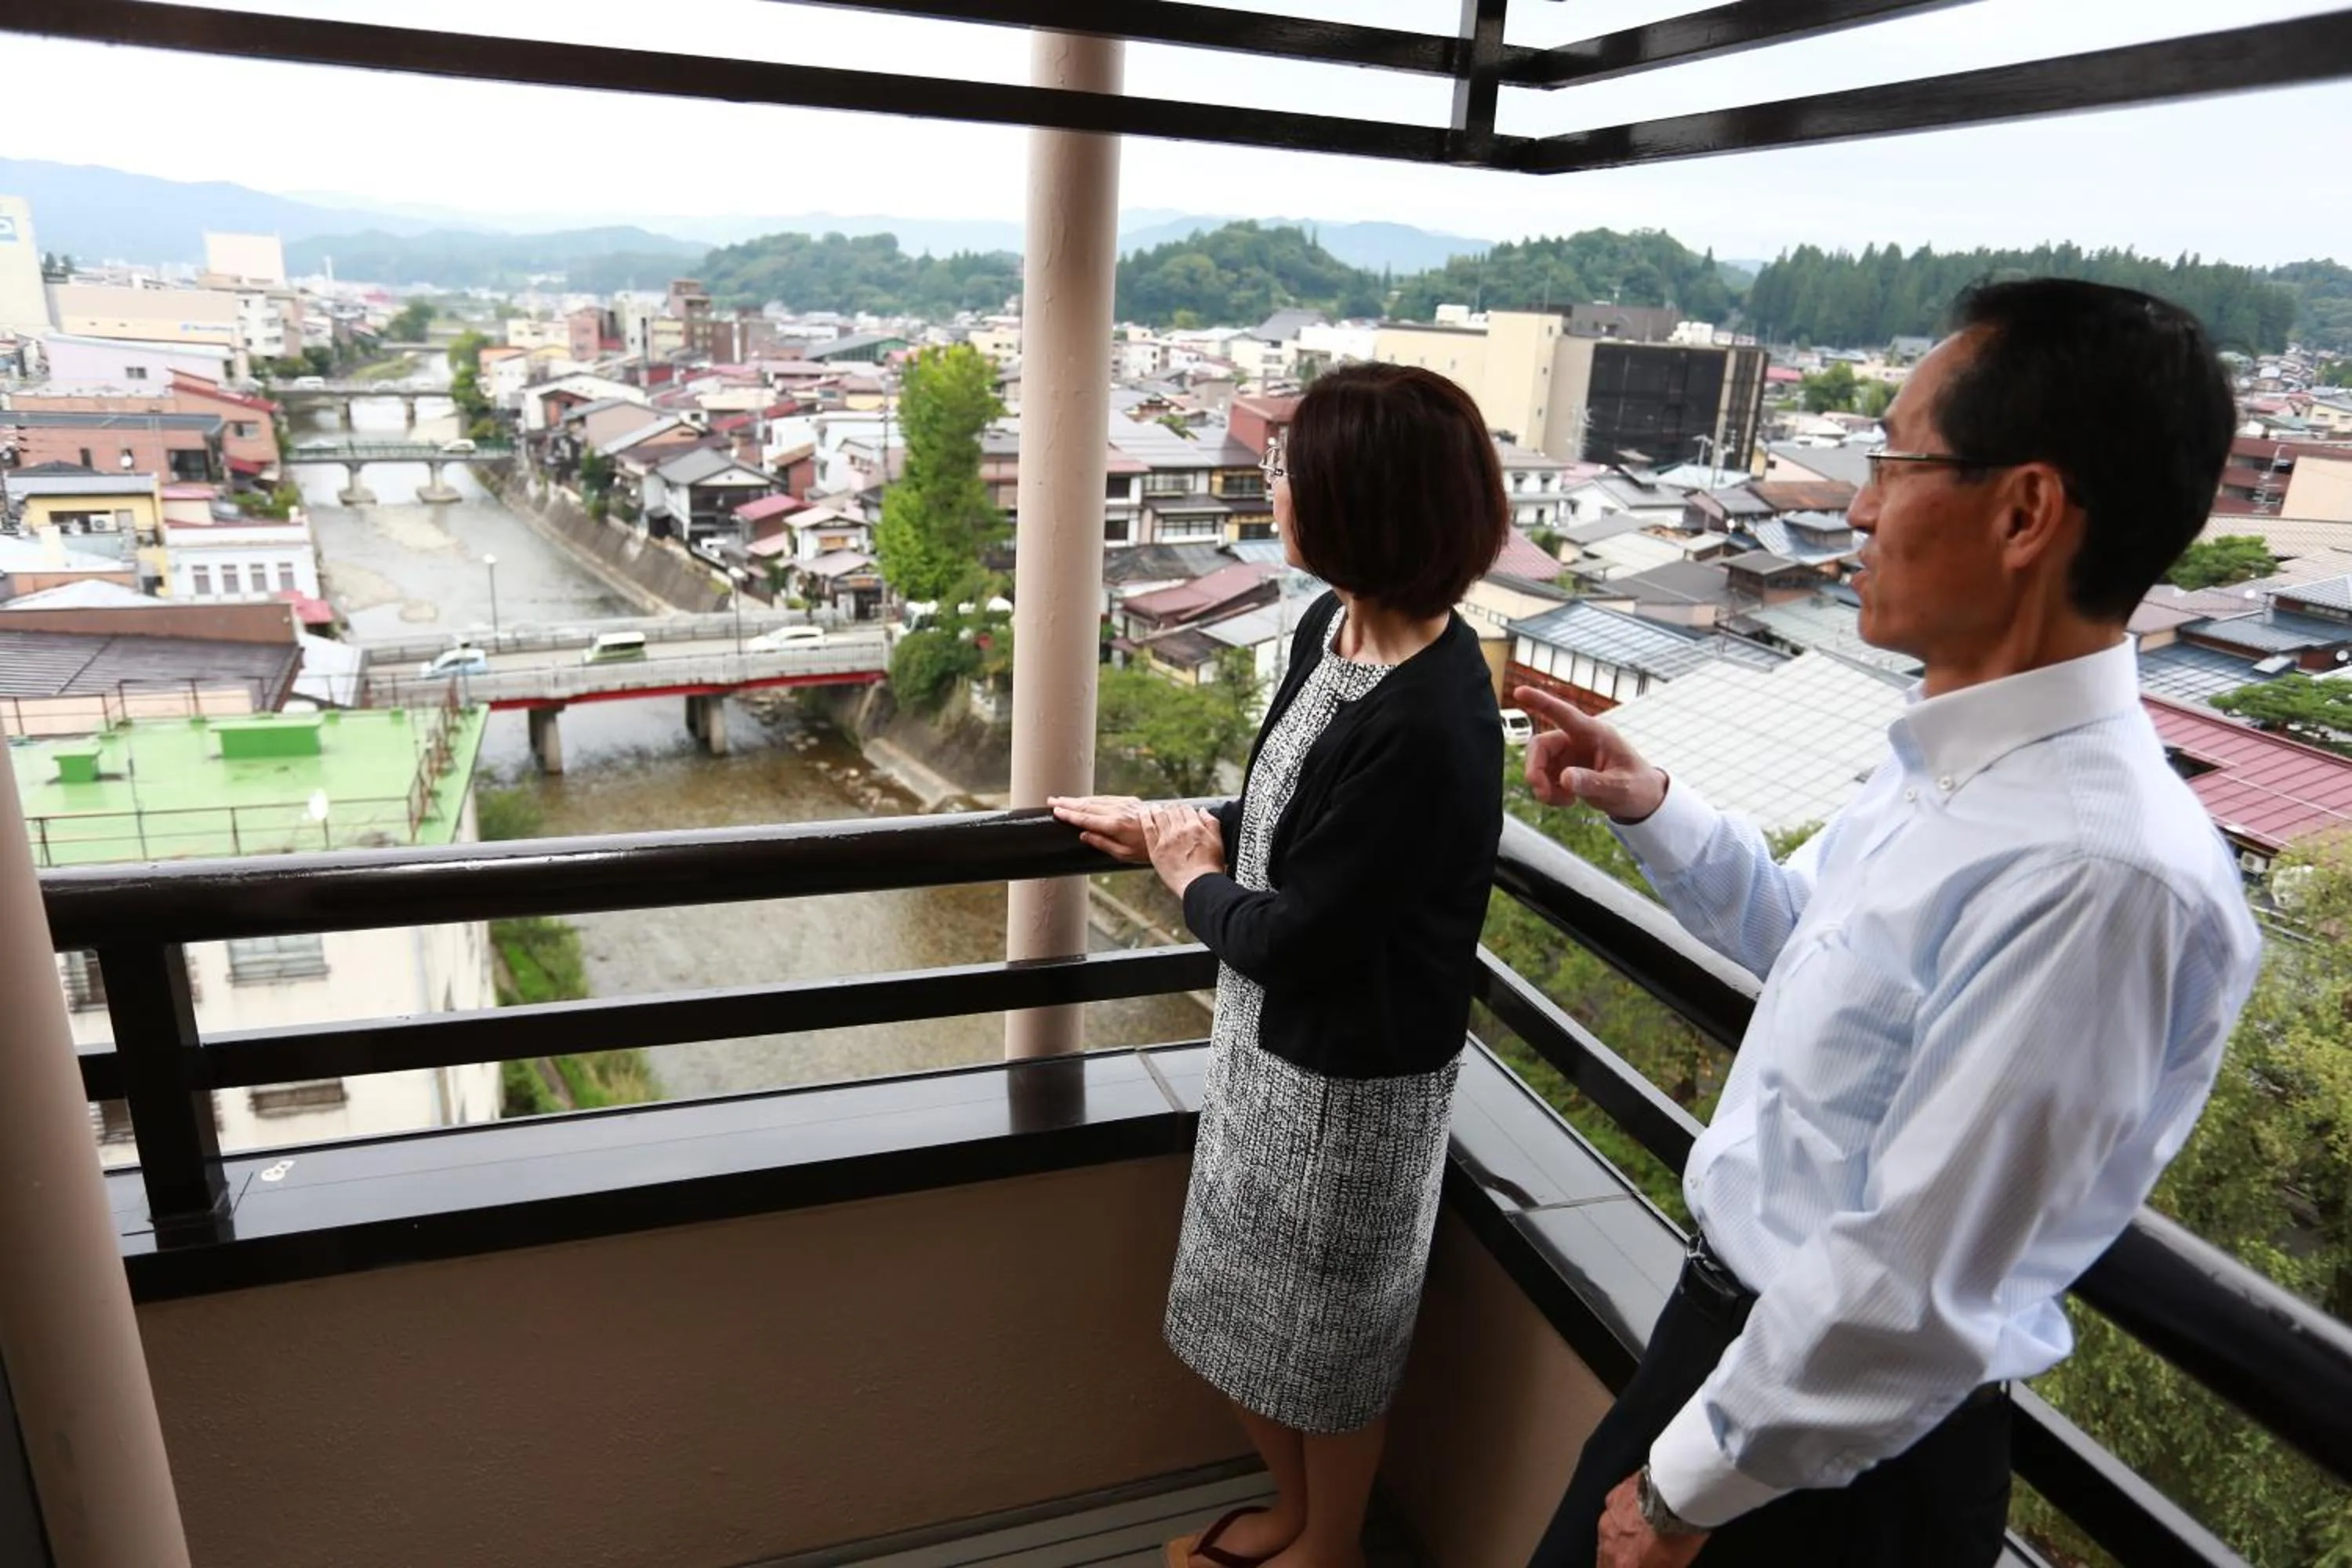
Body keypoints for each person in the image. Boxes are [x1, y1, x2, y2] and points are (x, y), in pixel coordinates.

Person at [1525, 278, 2264, 1568]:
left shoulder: (2098, 873)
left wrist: (1688, 1491)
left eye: (1892, 461)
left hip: (1832, 1466)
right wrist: (1648, 804)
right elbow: (1812, 946)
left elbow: (1912, 1284)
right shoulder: (1950, 765)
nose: (1858, 506)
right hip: (1742, 1369)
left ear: (2026, 509)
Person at [1051, 362, 1509, 1568]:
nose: (1273, 485)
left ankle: (1330, 1543)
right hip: (1266, 1055)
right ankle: (1298, 1514)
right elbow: (1286, 820)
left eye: (1286, 472)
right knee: (1245, 1321)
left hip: (1352, 1085)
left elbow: (1299, 932)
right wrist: (1171, 823)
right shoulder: (1329, 627)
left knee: (1326, 1352)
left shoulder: (1433, 718)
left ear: (1364, 501)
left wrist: (1182, 872)